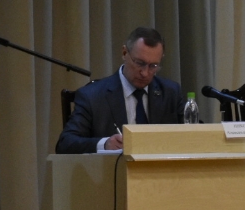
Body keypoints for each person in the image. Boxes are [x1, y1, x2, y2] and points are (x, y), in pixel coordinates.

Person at [55, 27, 186, 154]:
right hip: (113, 168)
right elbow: (65, 144)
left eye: (153, 66)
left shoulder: (170, 92)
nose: (145, 73)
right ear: (124, 53)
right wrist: (105, 144)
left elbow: (192, 136)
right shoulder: (92, 96)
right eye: (139, 63)